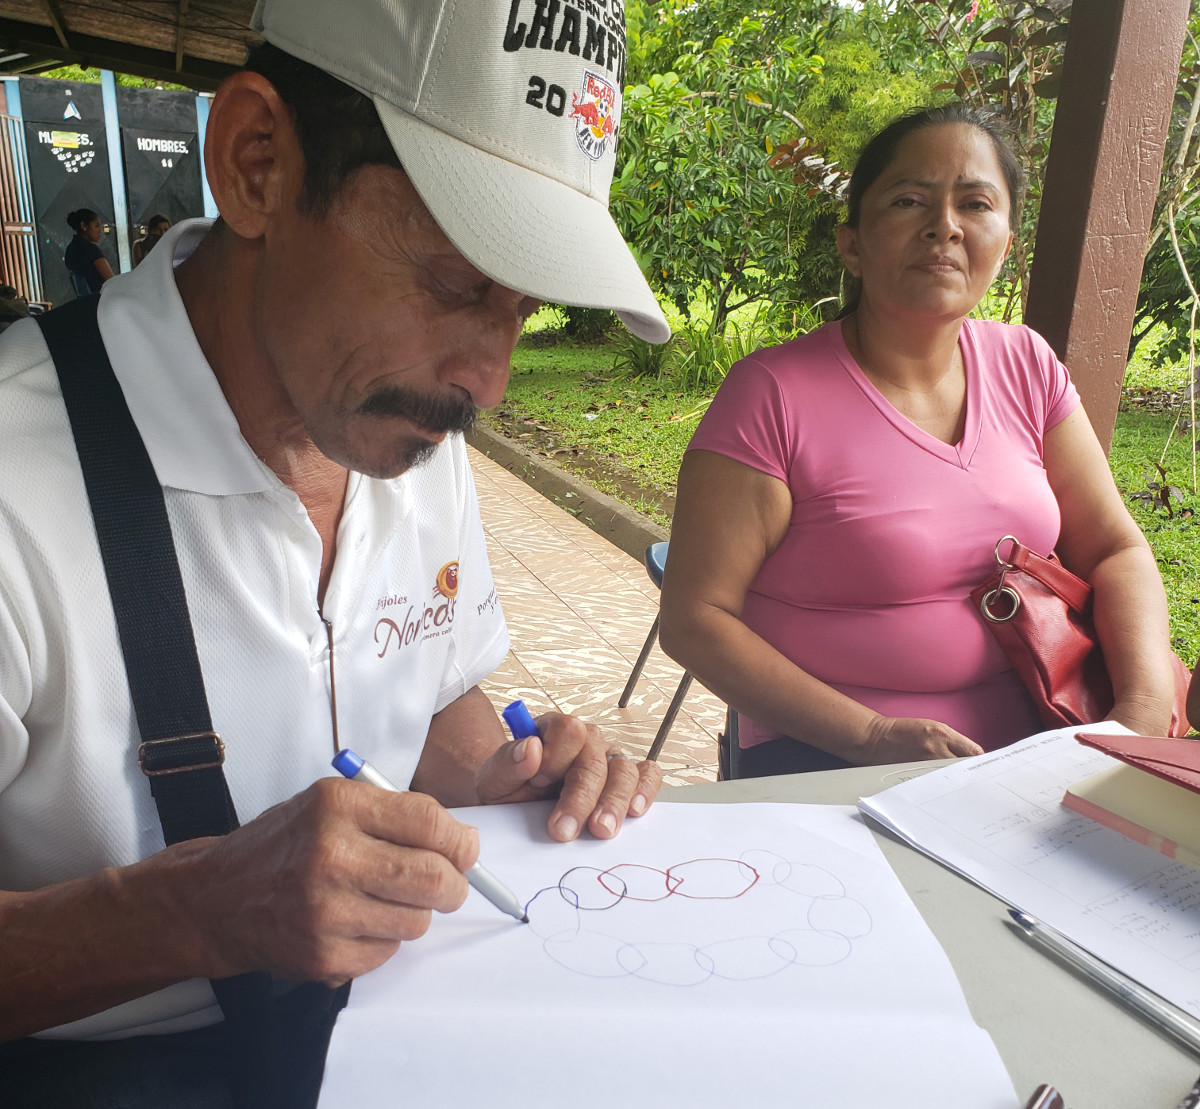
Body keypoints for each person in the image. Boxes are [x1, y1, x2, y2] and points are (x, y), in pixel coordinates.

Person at [0, 0, 669, 1104]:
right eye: (455, 282)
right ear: (256, 161)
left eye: (527, 313)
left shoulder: (408, 430)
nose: (485, 384)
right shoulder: (22, 482)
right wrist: (196, 909)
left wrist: (510, 768)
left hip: (397, 1034)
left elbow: (432, 694)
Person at [659, 104, 1178, 778]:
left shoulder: (1028, 365)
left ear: (1007, 242)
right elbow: (696, 617)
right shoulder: (773, 395)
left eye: (975, 203)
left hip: (1046, 740)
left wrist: (1137, 712)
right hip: (832, 757)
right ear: (852, 244)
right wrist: (872, 736)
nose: (945, 226)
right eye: (910, 200)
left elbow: (1114, 546)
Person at [64, 208, 115, 292]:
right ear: (83, 226)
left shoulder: (70, 249)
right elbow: (111, 280)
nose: (100, 231)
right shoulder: (91, 249)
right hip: (100, 300)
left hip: (86, 301)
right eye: (97, 226)